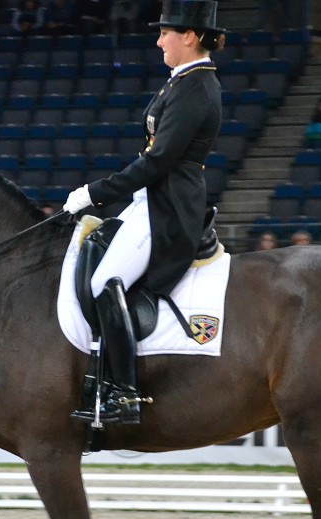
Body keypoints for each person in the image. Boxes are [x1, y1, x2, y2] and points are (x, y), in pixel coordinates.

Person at [62, 0, 225, 425]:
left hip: (169, 209)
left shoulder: (197, 87)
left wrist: (94, 193)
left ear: (189, 36)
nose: (158, 42)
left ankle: (124, 392)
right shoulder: (182, 81)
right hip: (152, 200)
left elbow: (158, 161)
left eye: (165, 34)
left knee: (104, 282)